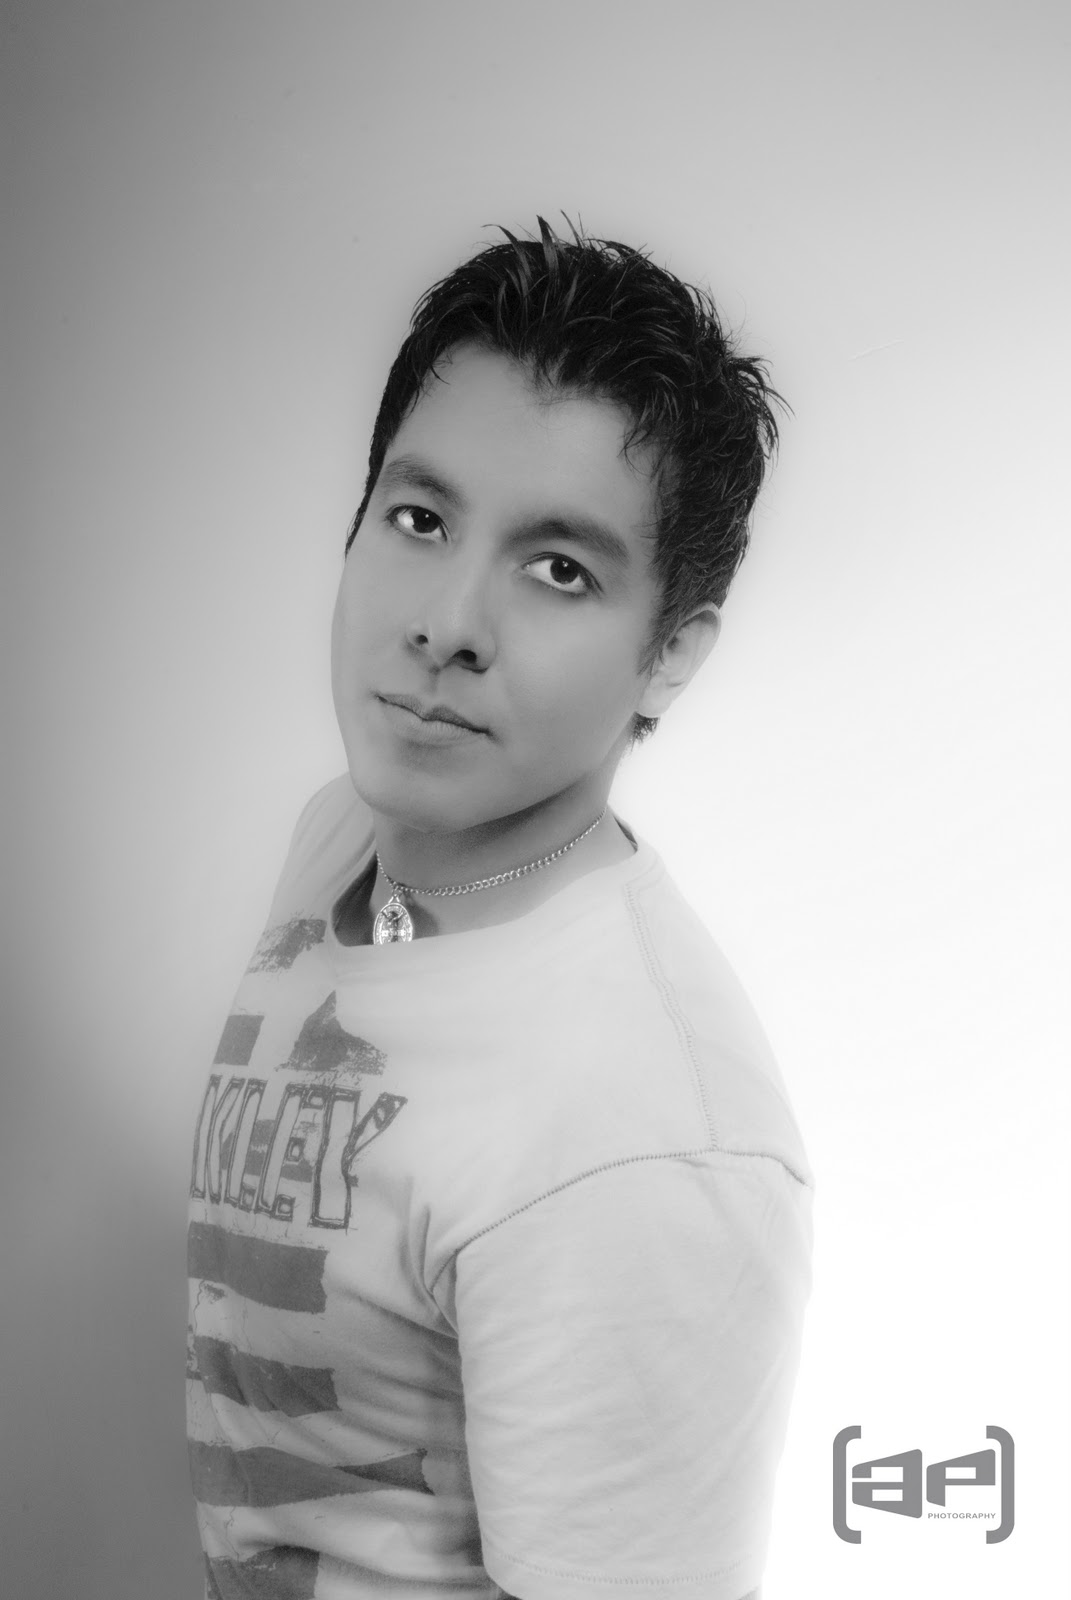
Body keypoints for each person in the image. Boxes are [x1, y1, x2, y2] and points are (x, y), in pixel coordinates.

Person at [186, 218, 812, 1600]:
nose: (446, 623)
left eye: (559, 567)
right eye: (420, 519)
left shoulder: (643, 1147)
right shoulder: (342, 837)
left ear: (671, 655)